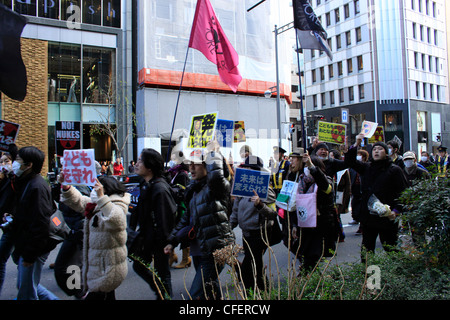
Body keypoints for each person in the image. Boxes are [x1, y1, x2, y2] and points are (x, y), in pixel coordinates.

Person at [164, 142, 235, 300]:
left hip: (215, 250)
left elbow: (216, 175)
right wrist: (172, 241)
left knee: (196, 293)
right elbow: (185, 219)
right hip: (199, 249)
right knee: (210, 289)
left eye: (196, 164)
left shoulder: (217, 187)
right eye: (190, 164)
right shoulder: (193, 190)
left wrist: (213, 153)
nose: (191, 168)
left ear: (206, 166)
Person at [59, 175, 130, 300]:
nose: (92, 191)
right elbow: (79, 201)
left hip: (106, 269)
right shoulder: (96, 204)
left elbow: (116, 218)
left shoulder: (117, 204)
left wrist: (102, 197)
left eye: (95, 188)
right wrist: (67, 187)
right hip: (101, 265)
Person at [6, 146, 58, 300]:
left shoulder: (37, 186)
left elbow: (40, 224)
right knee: (26, 286)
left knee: (27, 292)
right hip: (28, 245)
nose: (14, 163)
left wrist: (29, 255)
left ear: (29, 165)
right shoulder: (27, 182)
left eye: (17, 160)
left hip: (34, 248)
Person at [345, 135, 409, 259]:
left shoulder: (394, 170)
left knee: (391, 248)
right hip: (369, 217)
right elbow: (350, 162)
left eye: (380, 149)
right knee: (367, 249)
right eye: (374, 149)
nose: (376, 151)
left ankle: (398, 273)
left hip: (387, 216)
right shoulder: (367, 167)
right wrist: (356, 144)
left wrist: (396, 211)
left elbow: (404, 193)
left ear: (387, 153)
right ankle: (369, 276)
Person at [132, 148, 177, 299]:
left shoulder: (160, 188)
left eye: (140, 161)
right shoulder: (145, 184)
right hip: (147, 238)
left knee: (163, 274)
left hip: (159, 241)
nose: (136, 164)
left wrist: (167, 242)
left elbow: (165, 219)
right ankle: (159, 290)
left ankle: (163, 294)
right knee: (139, 265)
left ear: (149, 167)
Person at [230, 155, 277, 290]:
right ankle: (263, 291)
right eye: (245, 168)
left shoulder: (265, 190)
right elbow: (235, 211)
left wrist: (259, 204)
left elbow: (273, 214)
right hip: (246, 234)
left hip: (259, 234)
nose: (246, 170)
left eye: (249, 168)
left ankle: (259, 293)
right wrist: (229, 226)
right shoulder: (241, 187)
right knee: (255, 267)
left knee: (249, 269)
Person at [290, 151, 338, 272]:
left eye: (309, 167)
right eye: (306, 167)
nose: (307, 169)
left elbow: (325, 186)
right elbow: (298, 205)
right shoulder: (302, 182)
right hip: (305, 226)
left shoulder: (325, 182)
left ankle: (314, 283)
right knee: (306, 257)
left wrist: (312, 167)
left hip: (320, 226)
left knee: (314, 257)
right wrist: (295, 225)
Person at [166, 151, 191, 269]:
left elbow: (183, 191)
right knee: (172, 231)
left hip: (181, 207)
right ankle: (172, 255)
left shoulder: (182, 174)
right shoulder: (174, 172)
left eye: (174, 158)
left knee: (181, 232)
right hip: (174, 205)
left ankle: (186, 258)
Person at [349, 149, 369, 235]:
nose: (358, 156)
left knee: (363, 208)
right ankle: (356, 218)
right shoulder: (353, 168)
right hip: (355, 188)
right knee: (355, 204)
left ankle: (362, 226)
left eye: (360, 155)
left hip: (364, 189)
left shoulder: (368, 166)